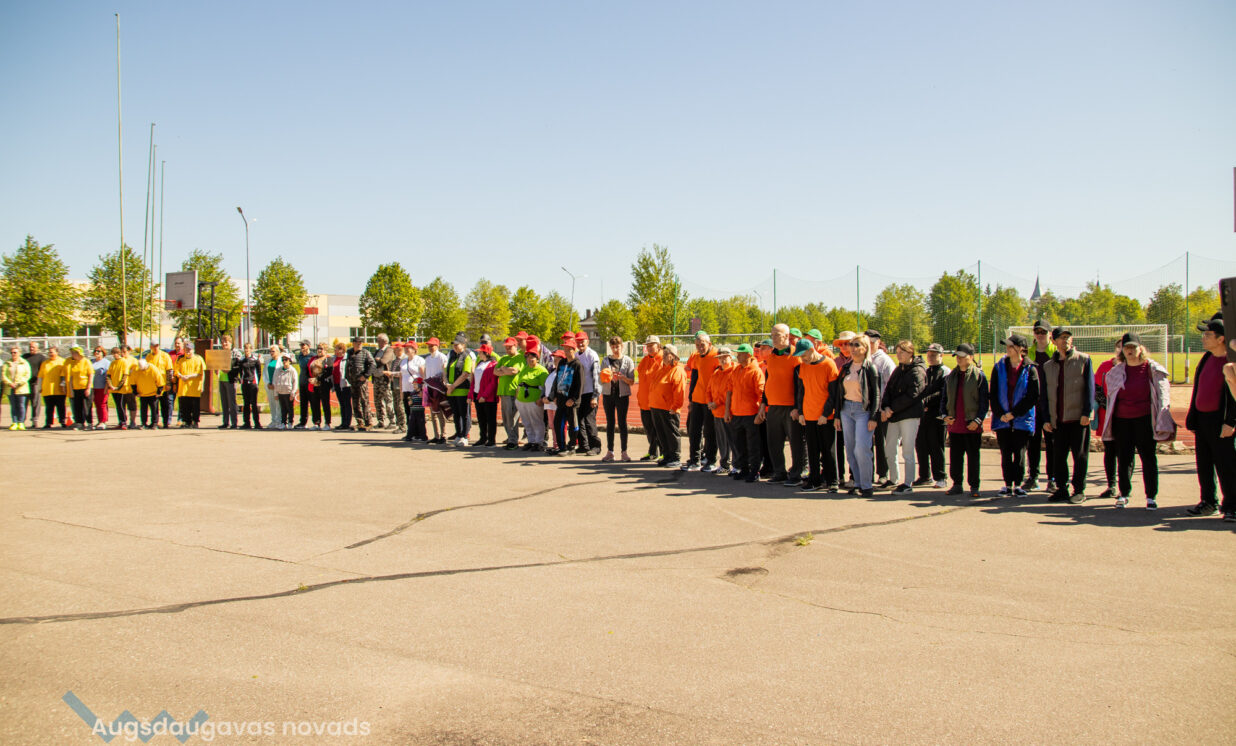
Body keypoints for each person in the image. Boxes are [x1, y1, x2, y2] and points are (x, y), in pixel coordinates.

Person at [1100, 332, 1174, 510]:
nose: (1130, 350)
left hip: (1145, 420)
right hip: (1122, 421)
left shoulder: (1152, 369)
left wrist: (1162, 419)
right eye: (1126, 347)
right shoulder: (1116, 372)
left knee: (1148, 457)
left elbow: (1163, 395)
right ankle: (1124, 494)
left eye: (1133, 347)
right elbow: (1110, 397)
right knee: (1124, 458)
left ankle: (1151, 496)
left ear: (1141, 349)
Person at [1184, 315, 1236, 521]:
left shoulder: (1231, 362)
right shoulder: (1206, 358)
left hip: (1220, 421)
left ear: (1221, 338)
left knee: (1226, 465)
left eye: (1208, 335)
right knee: (1204, 464)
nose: (1203, 338)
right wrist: (1193, 417)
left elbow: (1234, 398)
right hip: (1203, 420)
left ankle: (1231, 505)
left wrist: (1230, 422)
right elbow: (1199, 388)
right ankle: (1208, 502)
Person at [1042, 328, 1095, 504]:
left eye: (1068, 337)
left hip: (1078, 418)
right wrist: (1047, 418)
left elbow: (1090, 388)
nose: (1065, 340)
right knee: (1058, 456)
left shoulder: (1083, 360)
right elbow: (1045, 394)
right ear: (1054, 341)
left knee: (1080, 456)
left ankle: (1079, 490)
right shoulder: (1048, 366)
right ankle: (1061, 489)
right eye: (1061, 338)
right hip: (1058, 420)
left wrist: (1087, 412)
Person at [990, 334, 1040, 498]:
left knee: (1019, 453)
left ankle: (1018, 484)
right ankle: (1007, 484)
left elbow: (1033, 396)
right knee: (1005, 452)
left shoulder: (1030, 369)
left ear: (1020, 348)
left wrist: (1015, 413)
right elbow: (993, 393)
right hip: (1003, 418)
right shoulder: (999, 367)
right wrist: (1001, 413)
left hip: (1021, 419)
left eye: (1011, 346)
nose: (1008, 348)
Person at [831, 334, 880, 496]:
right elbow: (839, 393)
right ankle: (858, 483)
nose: (852, 348)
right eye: (851, 345)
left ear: (865, 348)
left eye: (856, 345)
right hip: (846, 410)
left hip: (863, 411)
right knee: (851, 449)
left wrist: (873, 417)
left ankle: (867, 485)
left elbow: (876, 395)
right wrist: (837, 415)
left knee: (862, 448)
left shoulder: (870, 368)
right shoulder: (846, 368)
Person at [941, 343, 989, 498]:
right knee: (955, 457)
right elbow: (944, 399)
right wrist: (944, 415)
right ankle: (957, 484)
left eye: (962, 356)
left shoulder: (979, 376)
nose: (959, 359)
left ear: (971, 357)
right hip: (955, 425)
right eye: (957, 356)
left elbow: (984, 402)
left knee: (973, 457)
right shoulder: (950, 377)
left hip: (971, 425)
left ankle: (974, 486)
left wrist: (978, 420)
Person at [792, 338, 839, 492]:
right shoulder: (803, 367)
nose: (802, 359)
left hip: (825, 417)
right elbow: (801, 391)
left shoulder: (829, 364)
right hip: (808, 415)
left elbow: (833, 393)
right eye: (800, 356)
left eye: (804, 355)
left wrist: (826, 413)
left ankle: (832, 481)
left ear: (812, 350)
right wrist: (801, 412)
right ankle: (814, 480)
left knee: (828, 451)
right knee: (812, 450)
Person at [880, 340, 926, 495]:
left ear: (910, 353)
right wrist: (886, 407)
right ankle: (893, 479)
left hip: (910, 416)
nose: (899, 355)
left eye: (902, 352)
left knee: (907, 450)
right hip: (894, 416)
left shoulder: (917, 370)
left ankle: (908, 483)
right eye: (898, 352)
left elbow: (913, 395)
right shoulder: (898, 369)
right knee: (889, 448)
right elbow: (888, 389)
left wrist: (892, 408)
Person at [760, 324, 804, 485]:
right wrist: (763, 404)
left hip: (790, 407)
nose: (773, 338)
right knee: (774, 442)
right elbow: (768, 381)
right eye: (772, 334)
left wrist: (797, 407)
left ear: (786, 336)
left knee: (795, 442)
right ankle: (779, 472)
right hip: (773, 406)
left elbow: (800, 385)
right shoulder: (771, 357)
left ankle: (796, 474)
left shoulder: (796, 356)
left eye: (776, 335)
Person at [725, 343, 765, 483]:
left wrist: (760, 413)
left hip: (750, 414)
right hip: (736, 413)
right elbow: (729, 391)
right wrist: (727, 411)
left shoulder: (756, 371)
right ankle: (744, 469)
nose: (737, 356)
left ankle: (754, 471)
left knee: (753, 444)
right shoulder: (736, 370)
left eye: (740, 354)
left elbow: (761, 393)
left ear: (748, 355)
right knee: (739, 444)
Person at [913, 343, 950, 488]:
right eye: (929, 354)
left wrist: (926, 401)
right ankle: (924, 476)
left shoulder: (946, 372)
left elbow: (943, 393)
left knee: (936, 446)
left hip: (938, 415)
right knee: (921, 445)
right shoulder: (926, 371)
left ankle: (940, 477)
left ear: (941, 355)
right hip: (923, 415)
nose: (931, 357)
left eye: (934, 355)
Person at [1026, 320, 1057, 492]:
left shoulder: (1055, 353)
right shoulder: (1029, 353)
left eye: (1043, 332)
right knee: (1033, 442)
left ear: (1050, 334)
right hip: (1033, 404)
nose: (1040, 335)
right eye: (1037, 332)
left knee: (1051, 443)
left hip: (1050, 404)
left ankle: (1052, 478)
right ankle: (1033, 476)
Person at [684, 331, 720, 471]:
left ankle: (711, 460)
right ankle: (695, 460)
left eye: (702, 344)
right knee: (694, 430)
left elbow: (720, 379)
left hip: (710, 400)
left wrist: (716, 399)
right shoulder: (697, 357)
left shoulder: (716, 356)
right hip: (697, 399)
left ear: (709, 344)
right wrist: (691, 399)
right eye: (697, 345)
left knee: (710, 432)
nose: (700, 347)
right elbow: (694, 378)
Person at [866, 330, 897, 488]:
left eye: (873, 342)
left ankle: (883, 474)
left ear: (878, 342)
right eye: (868, 342)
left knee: (881, 442)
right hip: (865, 408)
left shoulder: (885, 361)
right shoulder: (862, 358)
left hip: (880, 409)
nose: (870, 345)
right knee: (866, 443)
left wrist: (886, 408)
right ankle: (868, 473)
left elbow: (891, 386)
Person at [1093, 340, 1123, 499]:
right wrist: (1108, 406)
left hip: (1125, 415)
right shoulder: (1105, 366)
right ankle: (1111, 485)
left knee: (1125, 452)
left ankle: (1124, 487)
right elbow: (1097, 389)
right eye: (1119, 347)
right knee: (1110, 451)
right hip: (1107, 416)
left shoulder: (1131, 368)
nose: (1122, 350)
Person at [599, 336, 636, 463]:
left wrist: (622, 378)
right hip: (608, 395)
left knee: (622, 423)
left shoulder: (628, 361)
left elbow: (632, 381)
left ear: (622, 346)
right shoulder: (605, 361)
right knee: (610, 423)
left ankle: (624, 452)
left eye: (618, 346)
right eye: (613, 347)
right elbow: (601, 379)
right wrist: (607, 376)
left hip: (622, 395)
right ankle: (610, 452)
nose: (615, 349)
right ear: (610, 347)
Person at [650, 343, 686, 467]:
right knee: (661, 433)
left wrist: (675, 407)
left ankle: (675, 457)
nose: (663, 356)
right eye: (663, 354)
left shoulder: (677, 370)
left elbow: (679, 391)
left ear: (673, 356)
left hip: (669, 408)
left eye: (666, 354)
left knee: (671, 433)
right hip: (657, 406)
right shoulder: (662, 369)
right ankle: (666, 455)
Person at [831, 331, 857, 487]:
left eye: (847, 343)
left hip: (856, 407)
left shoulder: (859, 361)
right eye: (841, 344)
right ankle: (838, 475)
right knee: (838, 443)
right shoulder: (835, 362)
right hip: (839, 407)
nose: (844, 346)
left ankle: (855, 476)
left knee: (854, 444)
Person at [513, 340, 549, 451]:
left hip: (534, 400)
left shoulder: (541, 370)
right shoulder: (525, 368)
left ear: (537, 358)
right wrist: (517, 398)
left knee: (536, 422)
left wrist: (541, 398)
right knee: (526, 422)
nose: (530, 359)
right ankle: (531, 441)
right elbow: (519, 383)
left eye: (532, 357)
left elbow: (545, 387)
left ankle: (539, 442)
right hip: (522, 400)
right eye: (528, 357)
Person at [706, 346, 737, 474]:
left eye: (725, 357)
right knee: (722, 440)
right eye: (720, 358)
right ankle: (724, 464)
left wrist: (717, 402)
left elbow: (730, 392)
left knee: (733, 440)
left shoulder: (734, 372)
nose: (722, 360)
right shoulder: (716, 373)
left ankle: (736, 465)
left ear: (730, 357)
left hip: (729, 412)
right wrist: (709, 402)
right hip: (717, 412)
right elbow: (708, 390)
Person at [442, 334, 475, 446]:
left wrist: (453, 386)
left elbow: (465, 374)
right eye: (454, 345)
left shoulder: (466, 356)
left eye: (457, 344)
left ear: (463, 345)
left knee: (464, 414)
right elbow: (445, 371)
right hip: (451, 391)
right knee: (456, 414)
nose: (455, 346)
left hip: (462, 390)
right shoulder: (452, 356)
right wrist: (447, 384)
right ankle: (459, 434)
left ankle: (464, 436)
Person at [494, 337, 525, 450]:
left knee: (512, 417)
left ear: (515, 346)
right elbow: (495, 372)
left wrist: (503, 369)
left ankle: (513, 440)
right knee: (506, 417)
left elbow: (514, 371)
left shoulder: (520, 357)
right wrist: (505, 370)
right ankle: (510, 438)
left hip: (513, 391)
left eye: (510, 347)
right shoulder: (504, 358)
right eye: (506, 347)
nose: (507, 349)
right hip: (503, 391)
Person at [635, 336, 663, 461]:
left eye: (652, 345)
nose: (649, 347)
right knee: (649, 429)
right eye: (648, 345)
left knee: (659, 429)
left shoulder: (663, 359)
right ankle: (652, 452)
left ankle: (664, 452)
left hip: (657, 402)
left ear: (658, 346)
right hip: (644, 401)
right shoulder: (644, 360)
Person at [574, 331, 602, 455]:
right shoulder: (576, 355)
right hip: (580, 393)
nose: (580, 344)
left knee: (589, 421)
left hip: (590, 392)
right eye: (578, 341)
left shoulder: (592, 355)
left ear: (587, 342)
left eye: (582, 341)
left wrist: (595, 396)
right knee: (579, 420)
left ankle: (595, 446)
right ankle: (583, 445)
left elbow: (596, 377)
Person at [346, 338, 376, 432]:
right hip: (352, 381)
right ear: (353, 343)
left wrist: (366, 375)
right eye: (357, 343)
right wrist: (347, 376)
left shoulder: (365, 353)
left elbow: (373, 364)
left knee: (364, 401)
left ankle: (368, 422)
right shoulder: (349, 352)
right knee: (355, 402)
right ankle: (360, 422)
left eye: (360, 343)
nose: (359, 345)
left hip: (361, 381)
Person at [422, 337, 448, 443]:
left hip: (438, 388)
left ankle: (443, 435)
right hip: (430, 387)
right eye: (429, 346)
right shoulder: (427, 359)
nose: (430, 347)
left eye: (432, 345)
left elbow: (444, 372)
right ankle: (436, 435)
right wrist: (425, 385)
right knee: (433, 412)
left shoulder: (442, 357)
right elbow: (426, 373)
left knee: (440, 411)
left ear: (437, 346)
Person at [472, 343, 499, 446]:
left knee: (490, 419)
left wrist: (484, 395)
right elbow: (474, 379)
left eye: (480, 352)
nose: (479, 354)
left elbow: (493, 382)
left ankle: (491, 439)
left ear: (486, 353)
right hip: (477, 394)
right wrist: (472, 394)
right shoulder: (479, 363)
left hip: (488, 397)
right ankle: (483, 437)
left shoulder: (493, 364)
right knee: (481, 418)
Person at [399, 341, 427, 442]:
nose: (406, 349)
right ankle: (410, 432)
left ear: (414, 349)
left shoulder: (419, 360)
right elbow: (401, 376)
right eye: (405, 348)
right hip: (406, 389)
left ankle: (420, 433)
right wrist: (401, 391)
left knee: (417, 413)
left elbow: (423, 376)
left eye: (409, 347)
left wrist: (422, 390)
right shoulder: (403, 361)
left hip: (415, 390)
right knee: (408, 411)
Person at [130, 348, 163, 429]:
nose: (142, 370)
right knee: (143, 409)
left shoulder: (153, 369)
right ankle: (144, 423)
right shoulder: (137, 370)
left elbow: (160, 381)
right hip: (142, 393)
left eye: (143, 368)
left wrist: (159, 392)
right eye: (141, 369)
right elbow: (132, 382)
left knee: (154, 409)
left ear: (146, 365)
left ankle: (154, 423)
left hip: (153, 393)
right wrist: (135, 392)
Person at [144, 341, 174, 429]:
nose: (156, 348)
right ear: (151, 347)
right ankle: (154, 422)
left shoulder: (165, 356)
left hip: (163, 385)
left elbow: (169, 370)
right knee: (154, 406)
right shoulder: (148, 357)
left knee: (165, 405)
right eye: (154, 346)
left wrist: (168, 383)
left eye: (157, 346)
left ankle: (166, 422)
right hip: (153, 386)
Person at [106, 346, 138, 430]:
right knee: (119, 405)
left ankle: (130, 422)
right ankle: (121, 421)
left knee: (130, 405)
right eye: (113, 353)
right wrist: (110, 385)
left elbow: (125, 375)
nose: (123, 354)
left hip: (126, 387)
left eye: (124, 352)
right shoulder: (113, 363)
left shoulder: (129, 361)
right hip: (115, 388)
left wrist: (118, 387)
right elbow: (109, 375)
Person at [174, 345, 206, 428]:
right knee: (185, 406)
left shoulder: (198, 359)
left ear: (193, 350)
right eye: (186, 349)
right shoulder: (180, 359)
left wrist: (189, 377)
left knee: (195, 406)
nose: (188, 351)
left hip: (194, 387)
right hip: (183, 387)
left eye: (190, 349)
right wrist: (181, 376)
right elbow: (176, 370)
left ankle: (195, 421)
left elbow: (200, 373)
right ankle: (186, 422)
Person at [64, 346, 94, 430]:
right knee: (78, 406)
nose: (72, 355)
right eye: (72, 353)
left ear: (79, 353)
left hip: (85, 386)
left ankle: (89, 423)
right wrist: (70, 389)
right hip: (76, 388)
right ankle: (80, 423)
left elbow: (91, 375)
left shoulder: (86, 361)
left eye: (74, 353)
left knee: (87, 406)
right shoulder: (73, 363)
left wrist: (88, 388)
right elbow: (71, 377)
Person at [37, 346, 67, 428]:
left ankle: (62, 421)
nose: (50, 354)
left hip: (59, 389)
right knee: (49, 408)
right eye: (49, 352)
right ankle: (48, 422)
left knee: (61, 406)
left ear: (57, 352)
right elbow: (40, 376)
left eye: (52, 352)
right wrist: (39, 387)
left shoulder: (62, 362)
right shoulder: (45, 363)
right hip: (47, 389)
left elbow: (64, 375)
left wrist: (64, 385)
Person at [3, 346, 32, 430]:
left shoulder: (24, 363)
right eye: (12, 352)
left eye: (15, 352)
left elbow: (27, 375)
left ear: (19, 353)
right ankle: (14, 422)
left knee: (21, 405)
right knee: (13, 406)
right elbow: (4, 375)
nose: (13, 354)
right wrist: (10, 383)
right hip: (10, 388)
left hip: (21, 388)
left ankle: (21, 422)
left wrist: (19, 383)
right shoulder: (7, 363)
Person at [236, 343, 263, 429]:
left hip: (253, 383)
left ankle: (257, 423)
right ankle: (247, 423)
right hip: (245, 383)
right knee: (246, 403)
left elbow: (259, 372)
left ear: (251, 349)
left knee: (254, 403)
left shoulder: (255, 360)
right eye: (245, 349)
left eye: (248, 349)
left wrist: (256, 382)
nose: (246, 350)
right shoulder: (242, 360)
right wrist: (242, 380)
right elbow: (240, 371)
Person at [308, 342, 333, 431]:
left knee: (325, 404)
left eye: (321, 349)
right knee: (315, 404)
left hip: (324, 384)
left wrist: (317, 379)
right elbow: (308, 369)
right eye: (318, 348)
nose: (319, 350)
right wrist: (310, 379)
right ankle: (316, 422)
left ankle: (327, 423)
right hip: (314, 384)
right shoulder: (313, 359)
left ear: (325, 350)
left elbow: (328, 372)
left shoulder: (328, 359)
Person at [218, 336, 241, 429]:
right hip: (222, 379)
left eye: (226, 342)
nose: (224, 344)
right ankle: (225, 422)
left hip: (230, 380)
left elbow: (238, 366)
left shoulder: (235, 353)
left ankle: (234, 422)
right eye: (223, 342)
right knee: (224, 402)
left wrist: (229, 370)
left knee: (232, 402)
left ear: (231, 343)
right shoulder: (220, 353)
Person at [331, 342, 354, 431]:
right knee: (341, 403)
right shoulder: (334, 358)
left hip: (345, 384)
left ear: (342, 350)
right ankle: (343, 422)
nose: (335, 350)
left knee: (346, 403)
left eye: (336, 349)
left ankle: (347, 423)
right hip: (337, 384)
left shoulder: (347, 358)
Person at [23, 341, 46, 427]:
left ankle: (35, 420)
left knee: (35, 402)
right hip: (25, 383)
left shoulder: (41, 358)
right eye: (30, 347)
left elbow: (43, 370)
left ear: (37, 348)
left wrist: (39, 381)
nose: (31, 348)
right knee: (24, 402)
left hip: (35, 383)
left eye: (33, 347)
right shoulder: (25, 357)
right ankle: (21, 420)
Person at [273, 354, 298, 429]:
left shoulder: (292, 370)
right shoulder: (278, 370)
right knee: (283, 409)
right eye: (283, 360)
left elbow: (295, 382)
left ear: (290, 361)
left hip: (288, 392)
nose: (284, 361)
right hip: (281, 392)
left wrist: (293, 393)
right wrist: (275, 393)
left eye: (286, 360)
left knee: (289, 408)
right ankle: (283, 422)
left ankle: (290, 422)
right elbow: (275, 381)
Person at [294, 340, 315, 430]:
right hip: (302, 381)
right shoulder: (300, 356)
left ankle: (316, 422)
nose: (302, 347)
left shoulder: (313, 356)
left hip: (310, 382)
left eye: (303, 345)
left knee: (313, 403)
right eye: (301, 345)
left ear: (308, 346)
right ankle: (303, 422)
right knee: (303, 403)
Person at [89, 346, 111, 429]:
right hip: (92, 387)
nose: (96, 352)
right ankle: (98, 421)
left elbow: (108, 376)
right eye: (95, 351)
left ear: (103, 353)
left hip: (102, 387)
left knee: (102, 404)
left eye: (99, 351)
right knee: (96, 404)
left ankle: (103, 421)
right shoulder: (91, 362)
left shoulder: (106, 363)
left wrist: (106, 387)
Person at [265, 343, 285, 430]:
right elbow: (265, 373)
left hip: (277, 385)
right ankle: (273, 420)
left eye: (273, 351)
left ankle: (279, 420)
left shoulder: (281, 362)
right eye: (270, 351)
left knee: (278, 403)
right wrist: (268, 383)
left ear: (278, 352)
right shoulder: (268, 362)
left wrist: (275, 384)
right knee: (272, 403)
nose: (271, 353)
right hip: (269, 385)